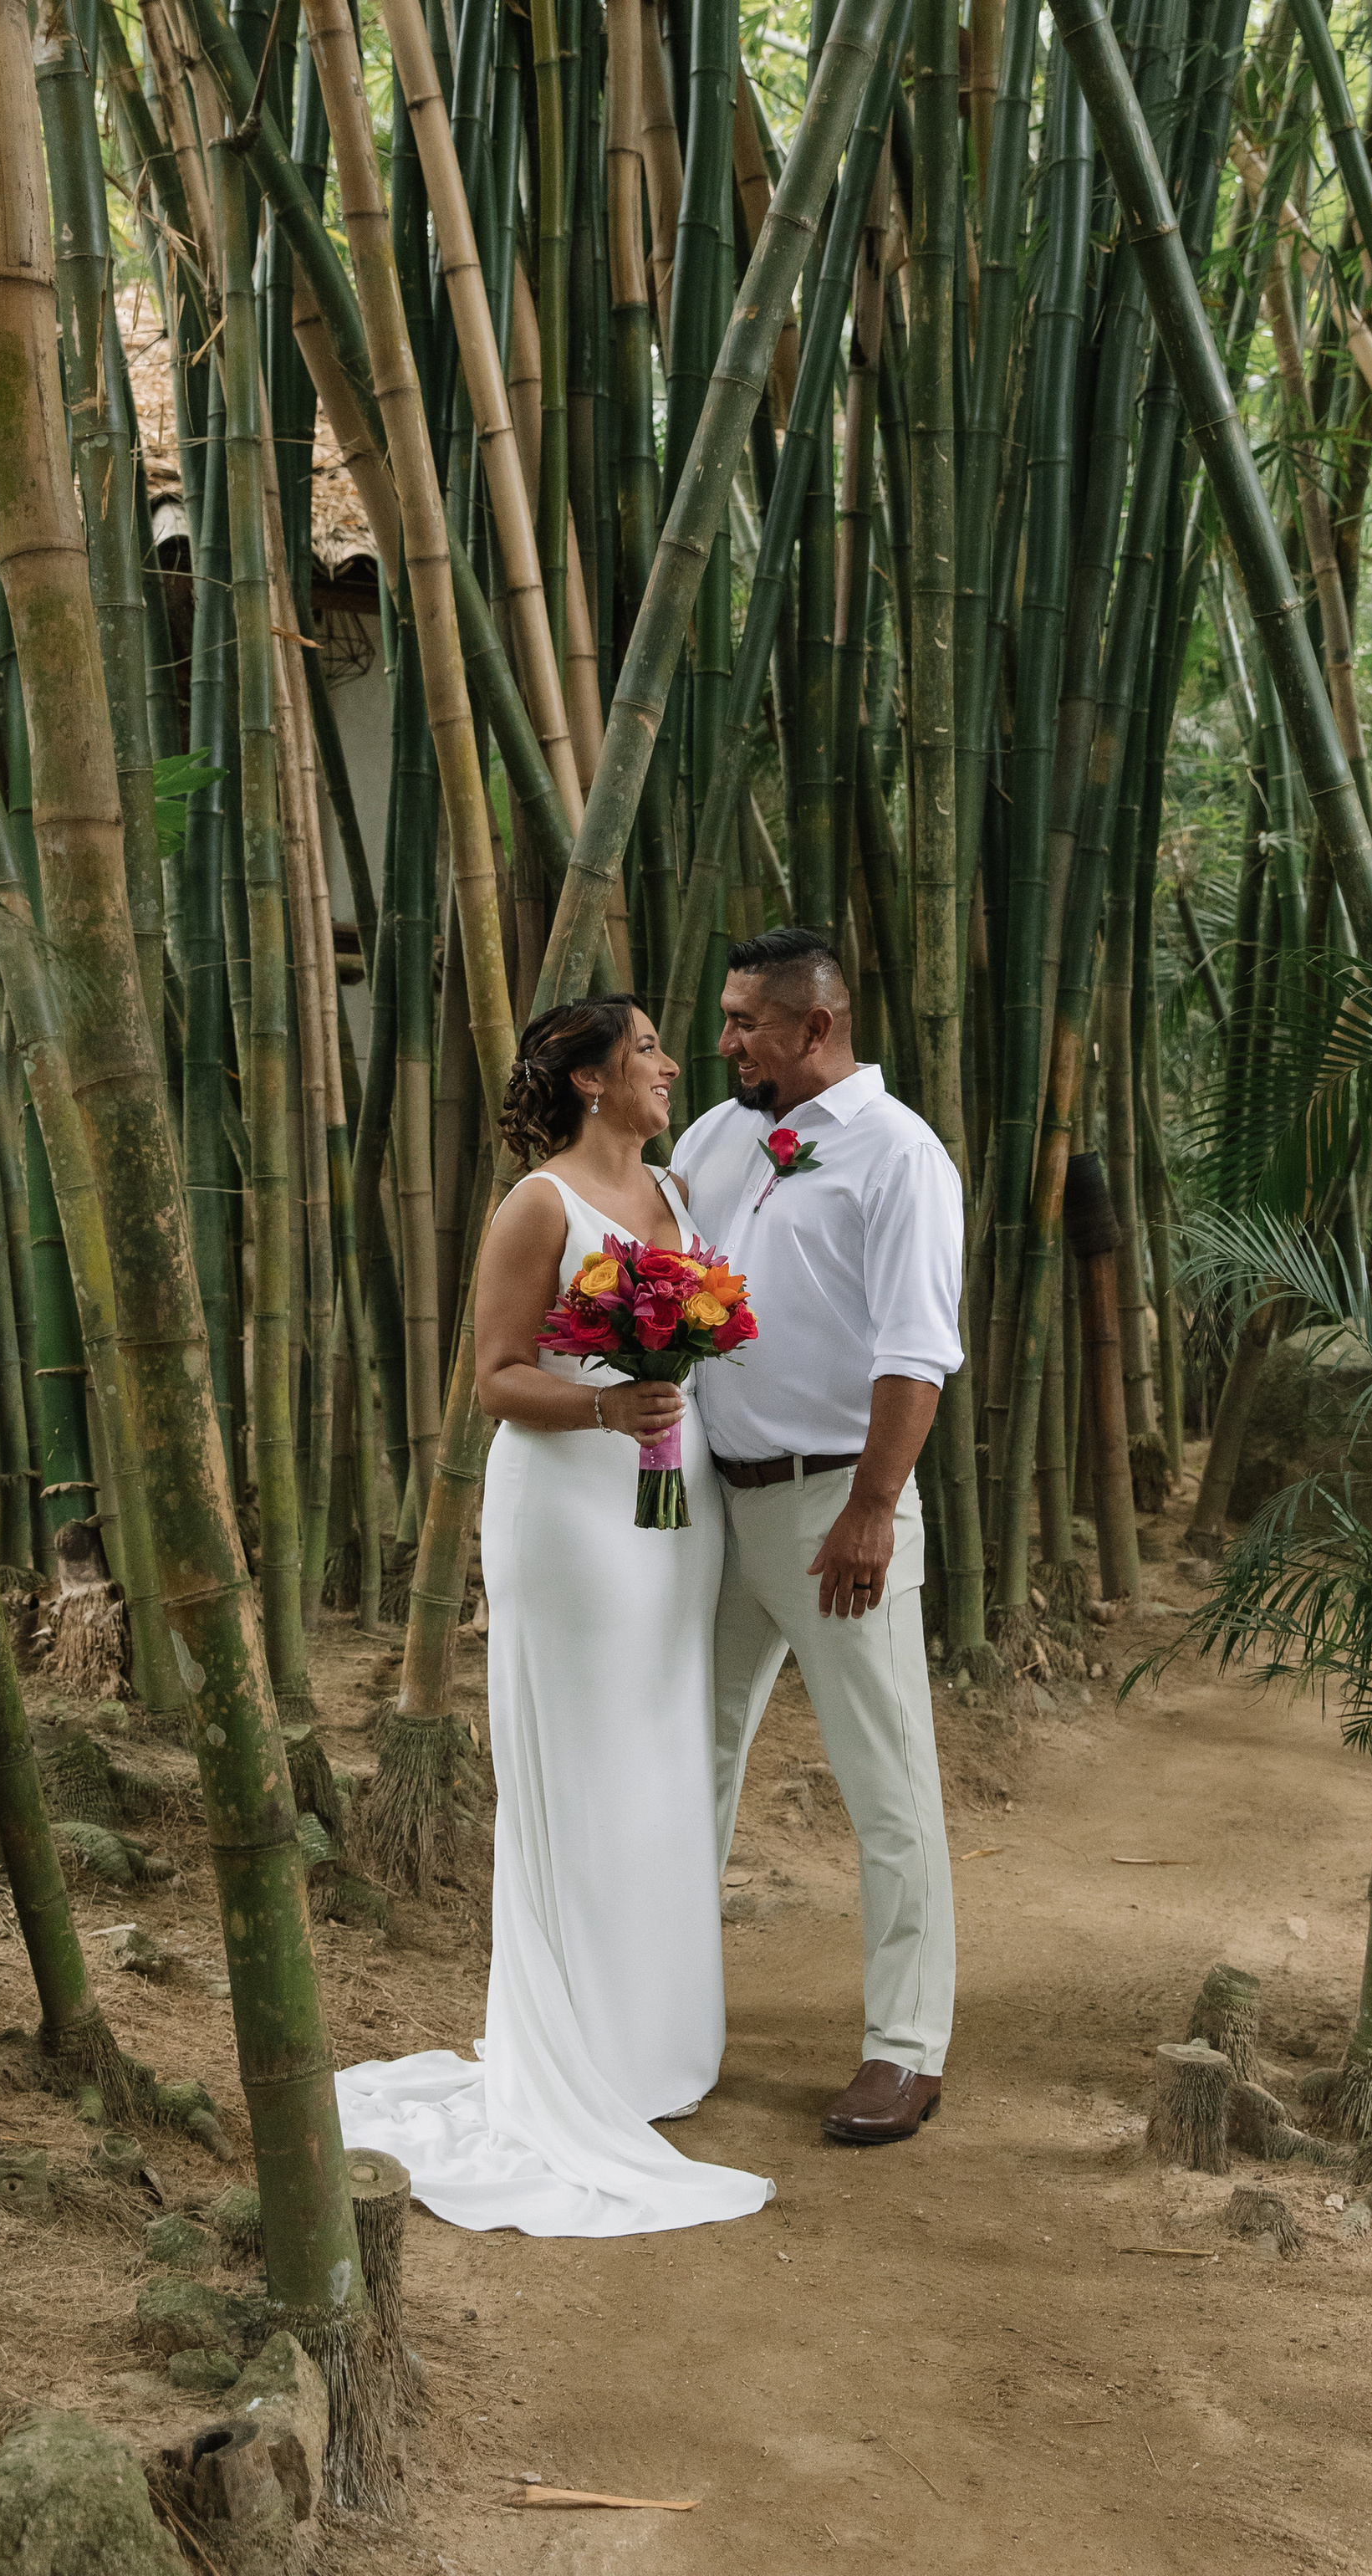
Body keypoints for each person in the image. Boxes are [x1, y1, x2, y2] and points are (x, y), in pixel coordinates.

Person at [331, 994, 773, 2237]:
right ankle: (574, 2049)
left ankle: (655, 2050)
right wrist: (602, 1409)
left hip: (670, 1506)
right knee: (582, 1761)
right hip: (571, 1513)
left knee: (659, 1755)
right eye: (646, 1049)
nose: (671, 1064)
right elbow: (492, 1378)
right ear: (588, 1080)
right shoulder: (539, 1204)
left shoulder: (680, 1196)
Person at [671, 927, 961, 2148]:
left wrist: (870, 1512)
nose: (725, 1040)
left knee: (885, 1784)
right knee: (690, 1766)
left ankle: (906, 2048)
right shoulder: (721, 1135)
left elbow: (916, 1350)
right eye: (727, 1017)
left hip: (835, 1506)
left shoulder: (900, 1157)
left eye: (746, 1022)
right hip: (710, 1504)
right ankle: (665, 2017)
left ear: (816, 1029)